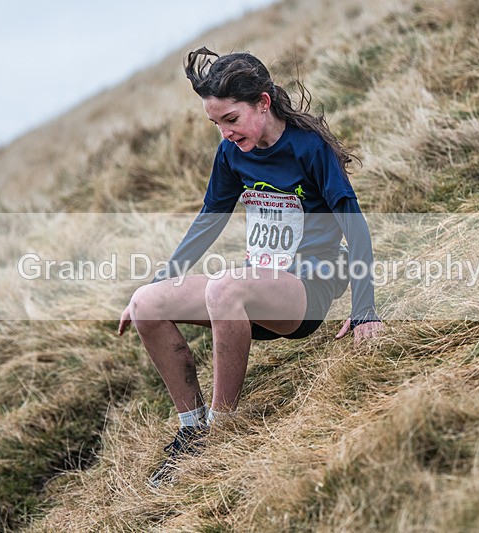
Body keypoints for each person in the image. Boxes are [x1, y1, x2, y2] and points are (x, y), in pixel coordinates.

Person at [118, 47, 383, 486]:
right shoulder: (232, 155)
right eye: (216, 124)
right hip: (247, 299)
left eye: (231, 120)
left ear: (262, 102)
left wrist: (364, 308)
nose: (224, 133)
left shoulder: (308, 149)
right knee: (147, 303)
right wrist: (158, 281)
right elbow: (209, 221)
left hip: (304, 294)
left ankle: (222, 430)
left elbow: (353, 224)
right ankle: (193, 429)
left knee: (225, 287)